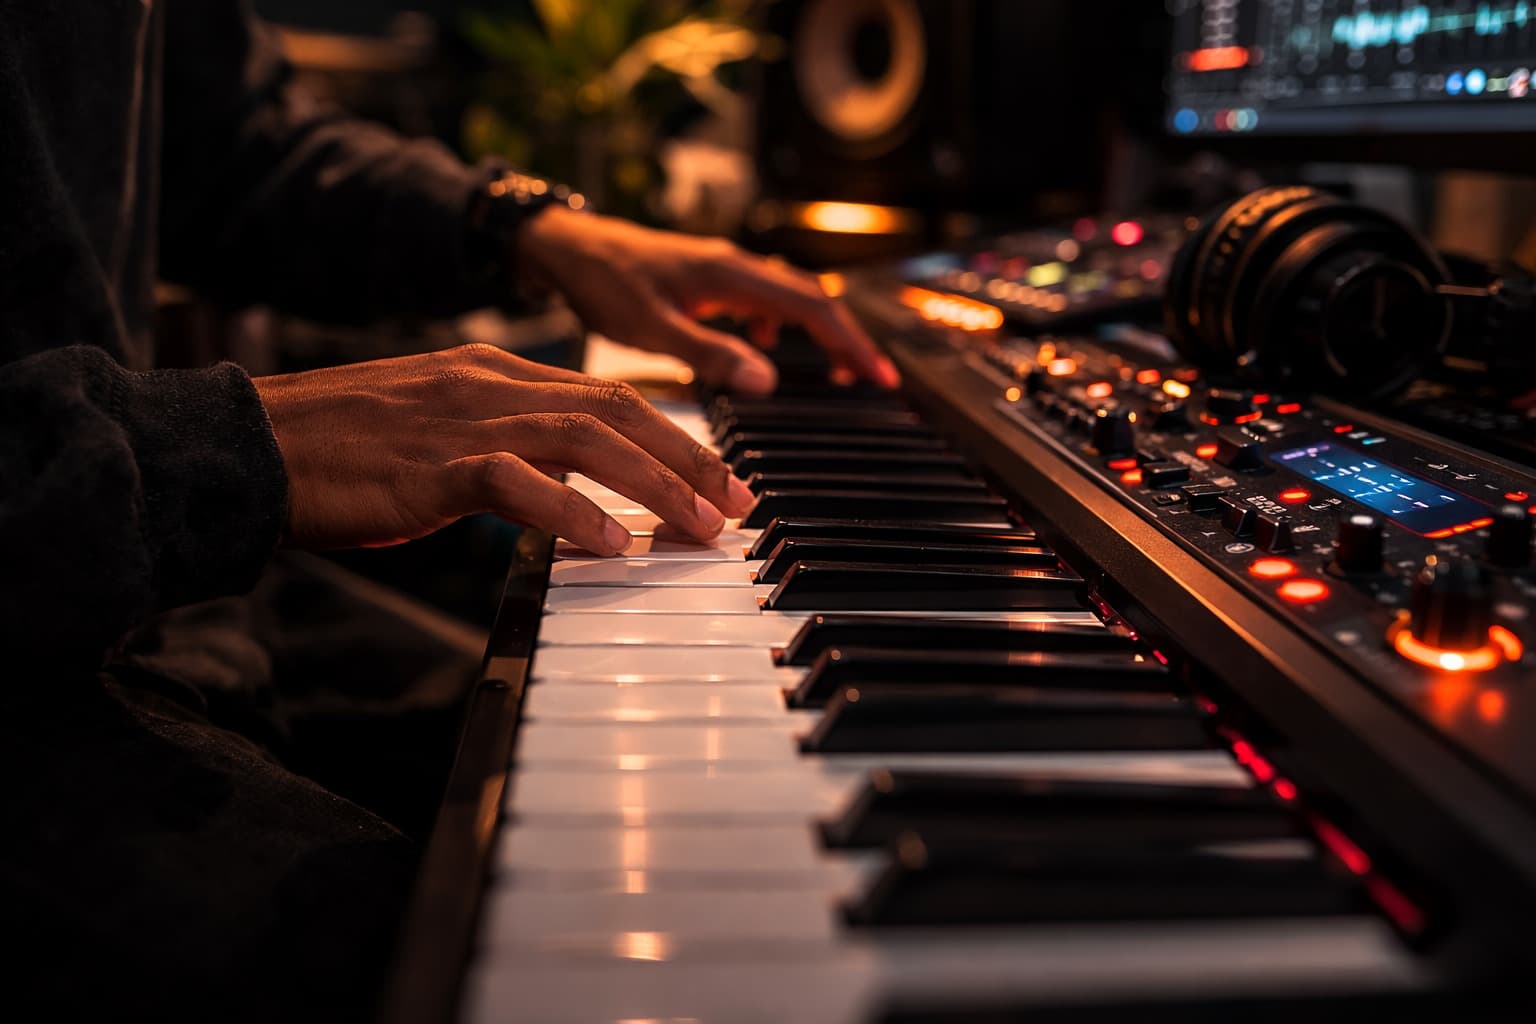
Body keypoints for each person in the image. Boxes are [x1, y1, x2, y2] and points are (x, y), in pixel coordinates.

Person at [0, 2, 897, 1018]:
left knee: (670, 799)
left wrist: (528, 226)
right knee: (576, 940)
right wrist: (218, 447)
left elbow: (229, 149)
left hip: (166, 600)